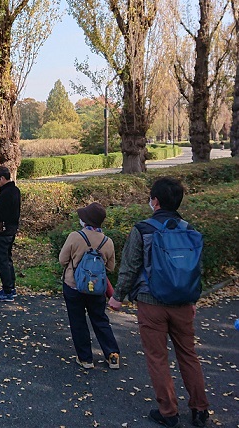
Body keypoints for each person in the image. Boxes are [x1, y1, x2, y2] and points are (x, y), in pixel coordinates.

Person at [109, 178, 209, 428]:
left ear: (155, 201)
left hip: (151, 302)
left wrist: (117, 296)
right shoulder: (188, 229)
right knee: (188, 354)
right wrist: (192, 298)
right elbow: (196, 269)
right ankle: (200, 409)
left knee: (157, 357)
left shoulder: (143, 229)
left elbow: (130, 266)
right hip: (183, 303)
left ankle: (168, 411)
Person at [59, 202, 120, 370]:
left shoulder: (75, 236)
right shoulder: (108, 242)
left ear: (85, 221)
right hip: (97, 288)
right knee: (100, 319)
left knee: (78, 321)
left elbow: (62, 260)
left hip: (74, 286)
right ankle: (112, 355)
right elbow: (110, 267)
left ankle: (86, 359)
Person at [0, 166, 21, 302]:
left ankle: (8, 290)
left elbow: (0, 214)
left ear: (2, 178)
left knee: (2, 260)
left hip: (3, 232)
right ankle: (11, 288)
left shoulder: (6, 194)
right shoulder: (14, 190)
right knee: (7, 260)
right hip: (10, 230)